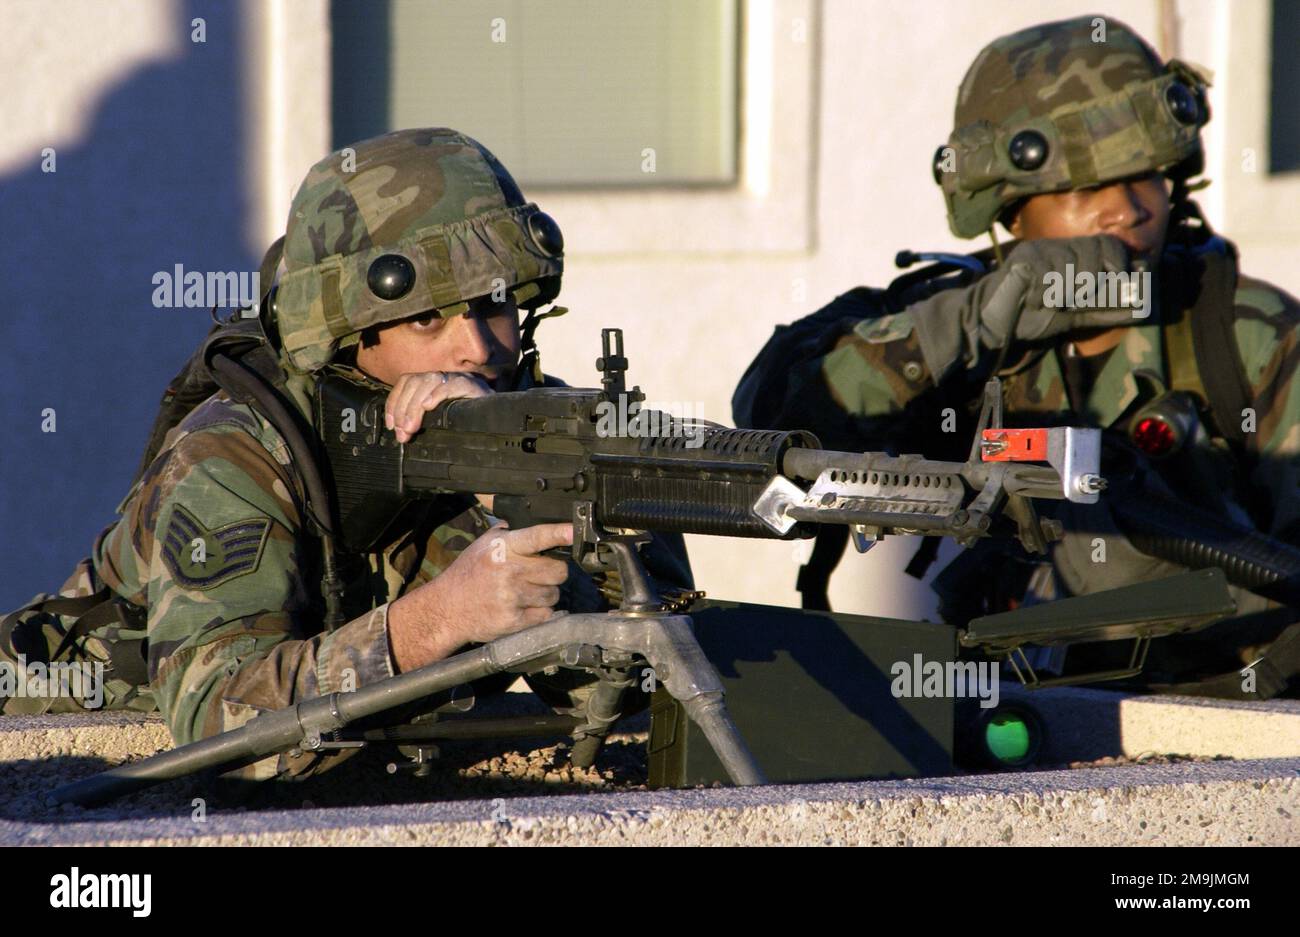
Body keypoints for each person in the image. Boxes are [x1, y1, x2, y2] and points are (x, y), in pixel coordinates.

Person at [0, 128, 691, 779]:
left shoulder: (539, 426)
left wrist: (510, 506)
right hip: (66, 735)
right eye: (428, 317)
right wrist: (440, 620)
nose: (478, 348)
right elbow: (220, 725)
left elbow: (663, 678)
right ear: (341, 333)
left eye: (497, 306)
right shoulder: (236, 452)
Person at [734, 16, 1300, 696]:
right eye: (1085, 189)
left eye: (1146, 176)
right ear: (1012, 211)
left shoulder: (1243, 333)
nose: (1126, 209)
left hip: (1224, 721)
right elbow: (772, 417)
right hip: (1002, 718)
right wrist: (969, 323)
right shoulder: (956, 322)